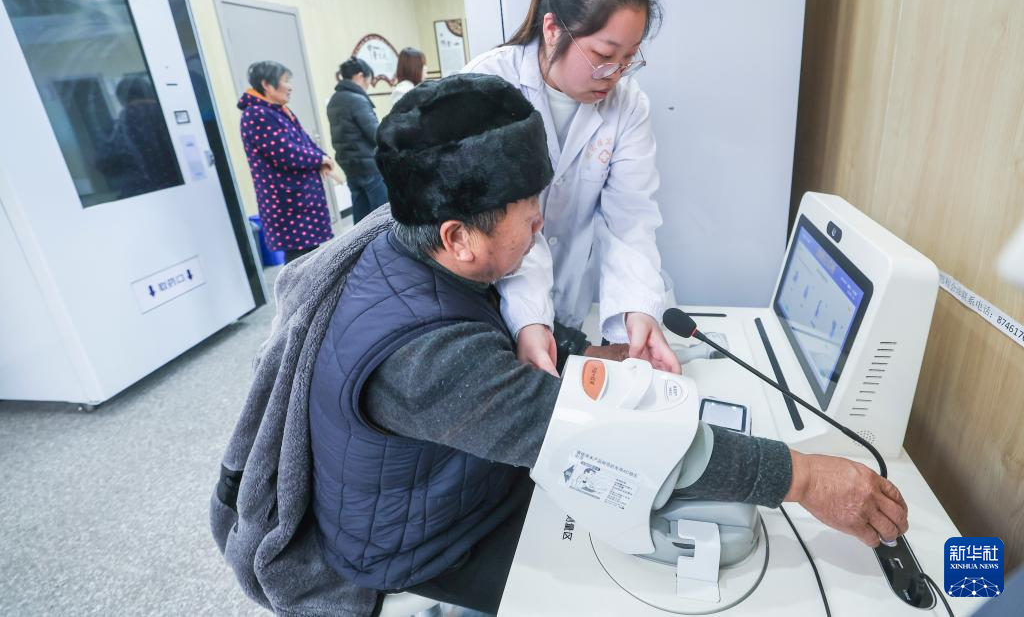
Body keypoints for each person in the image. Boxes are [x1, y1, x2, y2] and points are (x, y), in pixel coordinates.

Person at [305, 74, 909, 614]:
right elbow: (602, 437)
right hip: (430, 542)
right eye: (526, 212)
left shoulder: (425, 260)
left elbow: (501, 337)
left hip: (470, 480)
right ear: (459, 237)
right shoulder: (425, 359)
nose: (541, 223)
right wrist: (804, 479)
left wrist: (597, 354)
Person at [464, 0, 682, 378]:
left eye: (628, 59)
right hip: (489, 299)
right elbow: (504, 223)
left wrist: (638, 310)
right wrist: (530, 319)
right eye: (604, 55)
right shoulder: (488, 86)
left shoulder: (628, 105)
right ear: (552, 30)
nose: (615, 75)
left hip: (570, 302)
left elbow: (630, 220)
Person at [238, 60, 335, 263]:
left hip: (300, 201)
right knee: (299, 262)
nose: (290, 87)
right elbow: (285, 152)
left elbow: (305, 141)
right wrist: (319, 159)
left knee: (311, 257)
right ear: (266, 84)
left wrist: (322, 157)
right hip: (288, 204)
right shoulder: (256, 114)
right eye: (285, 81)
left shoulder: (278, 111)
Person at [327, 57, 387, 224]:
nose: (368, 86)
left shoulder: (335, 99)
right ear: (360, 76)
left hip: (349, 165)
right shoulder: (357, 100)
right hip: (368, 166)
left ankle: (360, 241)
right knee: (381, 214)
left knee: (360, 213)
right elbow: (375, 134)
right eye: (368, 81)